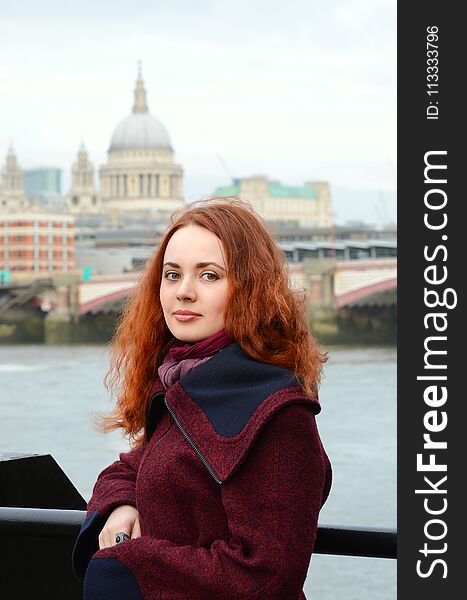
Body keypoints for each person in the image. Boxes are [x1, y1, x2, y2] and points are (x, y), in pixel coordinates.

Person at [72, 197, 332, 600]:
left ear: (251, 287)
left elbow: (267, 577)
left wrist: (127, 569)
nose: (184, 292)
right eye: (172, 274)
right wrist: (120, 507)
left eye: (209, 275)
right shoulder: (185, 388)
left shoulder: (278, 413)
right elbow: (127, 469)